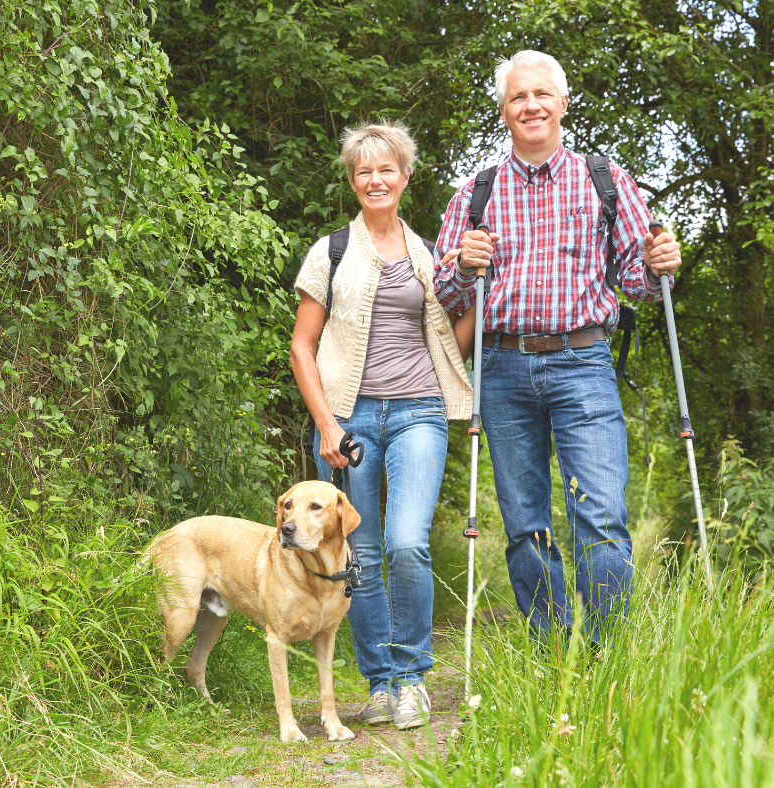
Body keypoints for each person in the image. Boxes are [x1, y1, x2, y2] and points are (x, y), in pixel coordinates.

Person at [433, 51, 682, 645]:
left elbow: (641, 283)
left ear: (563, 103)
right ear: (503, 112)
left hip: (584, 362)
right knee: (524, 524)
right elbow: (441, 291)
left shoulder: (606, 181)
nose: (531, 106)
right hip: (502, 365)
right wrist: (464, 268)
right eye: (518, 98)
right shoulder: (476, 193)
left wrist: (658, 265)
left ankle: (604, 653)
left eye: (542, 94)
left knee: (600, 516)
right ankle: (550, 645)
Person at [290, 119, 472, 729]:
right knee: (357, 552)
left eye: (386, 168)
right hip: (349, 417)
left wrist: (480, 289)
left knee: (406, 542)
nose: (375, 179)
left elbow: (452, 342)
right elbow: (301, 346)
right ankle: (380, 684)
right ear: (352, 180)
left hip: (420, 409)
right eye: (363, 170)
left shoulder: (431, 255)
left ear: (405, 176)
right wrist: (325, 424)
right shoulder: (331, 251)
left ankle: (414, 678)